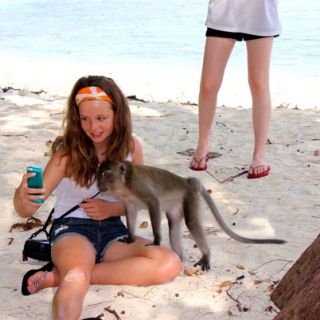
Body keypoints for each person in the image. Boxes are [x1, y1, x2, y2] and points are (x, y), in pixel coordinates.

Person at [14, 75, 182, 320]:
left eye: (101, 118)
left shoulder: (131, 148)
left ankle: (57, 276)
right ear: (76, 118)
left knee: (169, 263)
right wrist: (22, 196)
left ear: (118, 115)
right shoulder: (67, 155)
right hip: (73, 231)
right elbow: (25, 211)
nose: (93, 127)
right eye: (85, 119)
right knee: (77, 277)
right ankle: (70, 273)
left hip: (114, 232)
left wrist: (111, 210)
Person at [190, 0, 281, 179]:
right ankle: (203, 145)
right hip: (224, 12)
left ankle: (259, 156)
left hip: (261, 13)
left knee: (258, 83)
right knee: (208, 84)